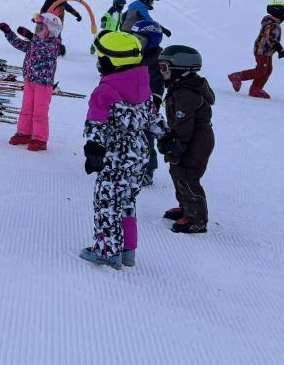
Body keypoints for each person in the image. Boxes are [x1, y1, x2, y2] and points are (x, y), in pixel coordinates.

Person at [80, 30, 164, 269]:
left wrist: (94, 150)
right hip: (139, 152)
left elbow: (97, 123)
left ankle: (106, 251)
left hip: (115, 154)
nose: (98, 62)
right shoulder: (141, 84)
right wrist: (166, 137)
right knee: (127, 200)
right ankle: (128, 251)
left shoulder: (105, 91)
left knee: (107, 202)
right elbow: (152, 117)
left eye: (101, 58)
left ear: (111, 62)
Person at [158, 45, 215, 235]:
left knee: (189, 176)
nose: (161, 72)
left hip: (196, 141)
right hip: (187, 137)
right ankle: (185, 207)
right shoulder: (179, 86)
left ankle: (197, 219)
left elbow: (184, 124)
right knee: (177, 172)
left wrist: (176, 144)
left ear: (179, 69)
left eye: (164, 68)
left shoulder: (186, 93)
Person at [0, 12, 63, 152]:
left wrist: (30, 36)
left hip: (43, 84)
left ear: (51, 31)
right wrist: (8, 32)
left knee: (39, 111)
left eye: (40, 28)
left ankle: (40, 139)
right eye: (36, 28)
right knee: (26, 108)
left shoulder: (53, 46)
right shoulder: (35, 42)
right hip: (30, 81)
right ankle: (24, 133)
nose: (37, 31)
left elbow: (42, 48)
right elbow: (19, 44)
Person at [130, 20, 166, 187]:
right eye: (134, 38)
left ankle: (148, 170)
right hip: (132, 98)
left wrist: (155, 101)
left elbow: (159, 82)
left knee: (146, 135)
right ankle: (130, 163)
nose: (136, 42)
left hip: (150, 101)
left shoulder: (158, 58)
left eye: (140, 39)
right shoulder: (137, 53)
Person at [227, 2, 284, 99]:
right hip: (262, 50)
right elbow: (271, 38)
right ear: (278, 13)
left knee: (267, 70)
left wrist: (277, 47)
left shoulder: (271, 23)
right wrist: (279, 48)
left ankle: (256, 89)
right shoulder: (273, 24)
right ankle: (237, 76)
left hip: (266, 51)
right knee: (261, 70)